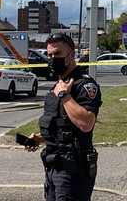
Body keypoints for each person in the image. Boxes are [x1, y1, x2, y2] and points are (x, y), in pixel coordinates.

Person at [25, 33, 102, 201]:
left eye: (58, 54)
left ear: (72, 55)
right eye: (50, 55)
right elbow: (62, 125)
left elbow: (86, 123)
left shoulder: (84, 85)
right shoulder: (58, 86)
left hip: (74, 170)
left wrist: (64, 95)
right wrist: (39, 138)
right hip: (52, 167)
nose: (53, 59)